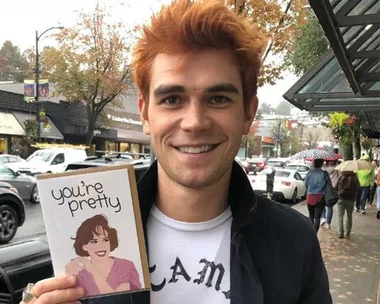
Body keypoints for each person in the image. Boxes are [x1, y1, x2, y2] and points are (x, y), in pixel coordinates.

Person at [20, 1, 332, 304]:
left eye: (219, 98)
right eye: (172, 99)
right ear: (144, 114)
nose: (195, 122)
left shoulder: (295, 241)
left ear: (248, 115)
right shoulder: (86, 229)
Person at [65, 214, 141, 297]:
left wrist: (91, 269)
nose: (101, 246)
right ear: (84, 246)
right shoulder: (81, 275)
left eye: (105, 240)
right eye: (94, 241)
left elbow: (116, 299)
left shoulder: (125, 266)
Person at [305, 158, 329, 233]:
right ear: (321, 164)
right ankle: (315, 234)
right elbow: (328, 185)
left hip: (310, 196)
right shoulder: (324, 173)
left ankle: (310, 232)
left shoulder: (309, 173)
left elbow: (306, 185)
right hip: (320, 197)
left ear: (314, 164)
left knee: (311, 216)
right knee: (317, 217)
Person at [335, 171, 360, 238]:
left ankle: (340, 233)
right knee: (349, 216)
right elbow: (358, 188)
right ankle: (348, 231)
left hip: (341, 198)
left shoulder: (341, 175)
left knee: (340, 216)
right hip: (350, 199)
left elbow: (335, 186)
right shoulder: (354, 177)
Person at [320, 161, 339, 229]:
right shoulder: (337, 169)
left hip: (324, 189)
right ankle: (328, 223)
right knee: (330, 206)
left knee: (322, 204)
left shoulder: (323, 169)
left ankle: (323, 218)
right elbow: (338, 179)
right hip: (332, 189)